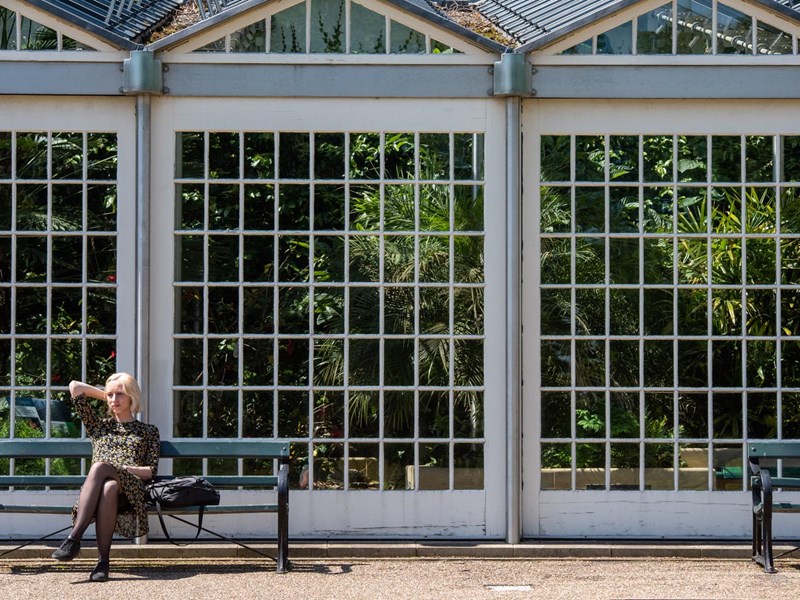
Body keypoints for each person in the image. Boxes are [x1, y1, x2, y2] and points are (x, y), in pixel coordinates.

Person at [50, 373, 160, 582]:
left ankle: (74, 538)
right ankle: (103, 563)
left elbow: (150, 471)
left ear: (132, 396)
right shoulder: (98, 426)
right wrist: (107, 395)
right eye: (110, 395)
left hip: (130, 491)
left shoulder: (148, 431)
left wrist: (123, 468)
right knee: (108, 486)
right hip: (100, 492)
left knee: (101, 466)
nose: (113, 399)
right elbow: (75, 387)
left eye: (120, 394)